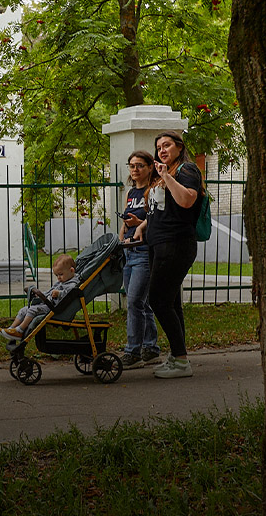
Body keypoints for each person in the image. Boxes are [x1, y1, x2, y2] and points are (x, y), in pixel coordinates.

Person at [135, 130, 204, 379]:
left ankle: (181, 361)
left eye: (166, 145)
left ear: (179, 147)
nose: (162, 150)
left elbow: (186, 200)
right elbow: (161, 209)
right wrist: (142, 226)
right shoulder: (166, 172)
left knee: (158, 300)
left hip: (176, 244)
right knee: (171, 302)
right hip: (159, 244)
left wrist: (166, 176)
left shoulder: (186, 170)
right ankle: (177, 356)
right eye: (159, 147)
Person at [117, 150, 162, 369]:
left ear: (150, 167)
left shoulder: (154, 190)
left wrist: (139, 225)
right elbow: (126, 221)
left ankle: (133, 352)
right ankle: (151, 349)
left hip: (144, 252)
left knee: (134, 302)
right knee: (141, 302)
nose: (135, 169)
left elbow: (157, 217)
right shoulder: (131, 192)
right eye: (132, 165)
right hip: (129, 252)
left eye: (140, 165)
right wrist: (120, 240)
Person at [0, 255, 80, 341]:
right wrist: (41, 295)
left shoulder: (72, 284)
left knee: (33, 310)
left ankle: (20, 330)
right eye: (56, 275)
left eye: (61, 274)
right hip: (48, 304)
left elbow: (70, 294)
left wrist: (59, 294)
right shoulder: (61, 282)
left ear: (71, 270)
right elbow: (49, 291)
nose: (58, 278)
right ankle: (11, 328)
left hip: (55, 308)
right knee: (24, 310)